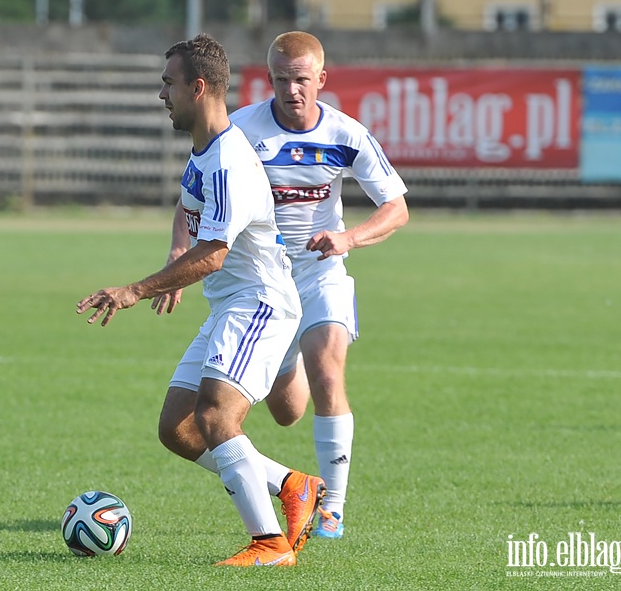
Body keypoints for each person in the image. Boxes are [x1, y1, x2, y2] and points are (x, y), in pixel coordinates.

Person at [77, 33, 325, 567]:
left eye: (168, 84)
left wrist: (137, 289)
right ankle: (291, 485)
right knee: (178, 428)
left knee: (215, 415)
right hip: (231, 303)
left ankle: (270, 544)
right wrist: (175, 253)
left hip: (260, 302)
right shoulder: (204, 151)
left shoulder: (229, 162)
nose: (160, 94)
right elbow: (187, 205)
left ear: (199, 86)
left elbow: (214, 254)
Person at [228, 31, 410, 539]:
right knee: (287, 413)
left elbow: (396, 208)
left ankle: (332, 508)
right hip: (265, 286)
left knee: (330, 375)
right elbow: (191, 195)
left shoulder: (346, 134)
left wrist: (348, 238)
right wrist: (179, 250)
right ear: (269, 81)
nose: (292, 90)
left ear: (321, 80)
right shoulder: (241, 132)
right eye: (282, 80)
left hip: (321, 275)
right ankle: (293, 360)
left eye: (302, 80)